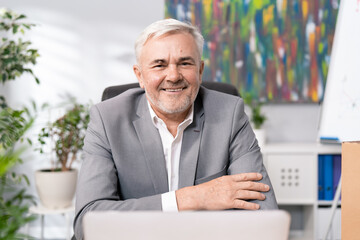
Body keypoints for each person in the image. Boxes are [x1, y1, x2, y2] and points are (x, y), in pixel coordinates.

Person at [73, 18, 277, 240]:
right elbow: (88, 222)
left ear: (200, 71)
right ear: (139, 75)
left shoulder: (229, 114)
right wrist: (192, 198)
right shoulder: (107, 119)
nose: (173, 76)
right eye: (159, 64)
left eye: (185, 63)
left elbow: (264, 215)